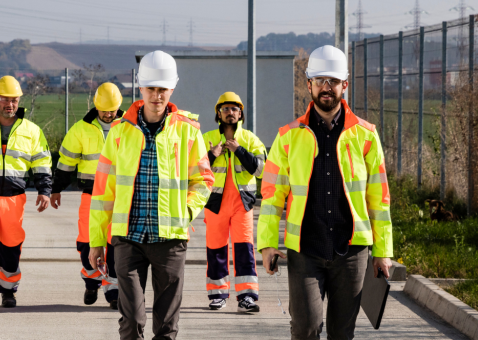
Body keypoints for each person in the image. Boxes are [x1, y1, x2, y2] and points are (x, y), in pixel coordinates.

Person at [258, 45, 393, 340]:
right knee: (305, 329)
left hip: (351, 252)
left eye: (333, 81)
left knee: (342, 334)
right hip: (305, 250)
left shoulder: (366, 135)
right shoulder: (288, 136)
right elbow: (271, 196)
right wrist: (267, 243)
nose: (326, 87)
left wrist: (383, 252)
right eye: (320, 80)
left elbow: (379, 199)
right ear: (309, 85)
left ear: (345, 84)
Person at [89, 50, 214, 340]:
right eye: (151, 89)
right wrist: (96, 241)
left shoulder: (188, 131)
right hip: (128, 238)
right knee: (131, 321)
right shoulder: (120, 132)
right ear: (141, 88)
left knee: (166, 327)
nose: (157, 96)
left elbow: (204, 181)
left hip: (169, 241)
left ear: (172, 89)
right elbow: (103, 191)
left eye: (162, 89)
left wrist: (186, 211)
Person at [0, 76, 53, 314]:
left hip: (15, 199)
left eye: (14, 100)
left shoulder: (32, 131)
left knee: (11, 247)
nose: (10, 104)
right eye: (5, 99)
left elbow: (42, 162)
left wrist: (44, 191)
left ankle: (8, 290)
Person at [51, 82, 125, 309]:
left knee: (116, 243)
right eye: (105, 110)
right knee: (87, 241)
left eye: (112, 110)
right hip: (91, 194)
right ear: (96, 106)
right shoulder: (80, 129)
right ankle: (92, 281)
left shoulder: (128, 126)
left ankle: (113, 290)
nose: (109, 114)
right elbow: (66, 162)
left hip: (120, 196)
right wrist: (56, 188)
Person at [202, 92, 267, 313]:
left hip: (242, 204)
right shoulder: (207, 138)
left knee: (244, 250)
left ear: (241, 114)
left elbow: (261, 170)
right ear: (218, 114)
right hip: (215, 203)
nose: (230, 112)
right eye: (226, 109)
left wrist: (239, 150)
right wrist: (211, 155)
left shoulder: (250, 139)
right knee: (216, 249)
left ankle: (246, 296)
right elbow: (193, 170)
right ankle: (218, 295)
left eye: (234, 109)